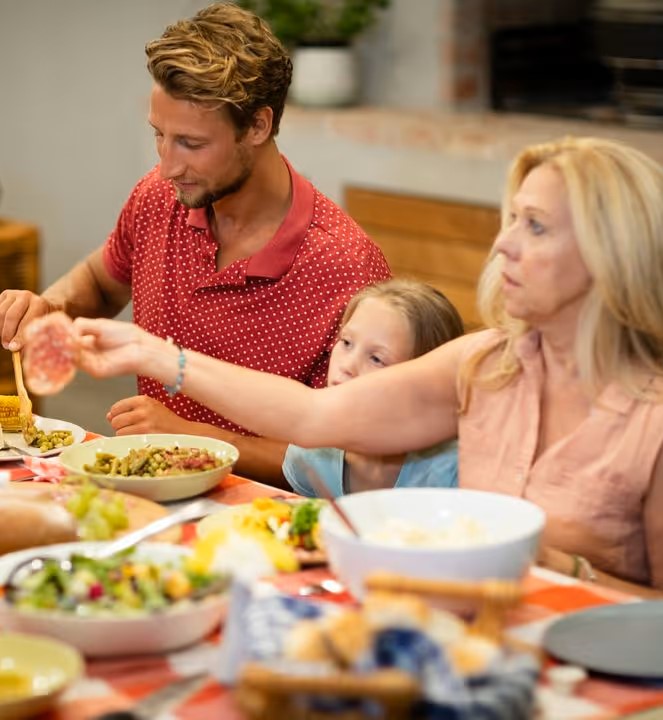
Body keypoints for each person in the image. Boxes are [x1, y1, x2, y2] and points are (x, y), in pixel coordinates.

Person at [66, 135, 663, 596]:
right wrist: (154, 354)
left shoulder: (651, 422)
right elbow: (314, 414)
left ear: (610, 253)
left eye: (535, 226)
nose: (504, 244)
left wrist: (565, 569)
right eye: (511, 220)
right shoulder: (485, 365)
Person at [0, 2, 390, 486]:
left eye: (191, 143)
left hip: (263, 524)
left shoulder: (345, 267)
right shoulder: (158, 196)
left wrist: (193, 439)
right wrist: (49, 306)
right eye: (159, 136)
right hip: (144, 496)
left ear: (258, 126)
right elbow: (100, 284)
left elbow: (348, 461)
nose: (167, 166)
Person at [283, 279, 463, 497]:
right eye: (346, 342)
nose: (347, 366)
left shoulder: (455, 474)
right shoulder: (310, 451)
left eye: (377, 359)